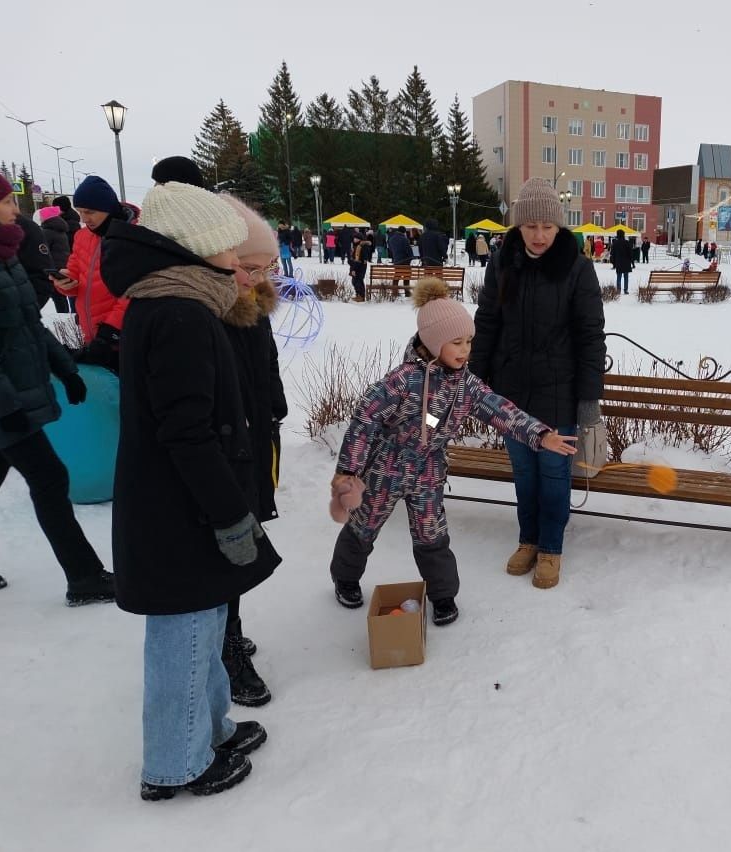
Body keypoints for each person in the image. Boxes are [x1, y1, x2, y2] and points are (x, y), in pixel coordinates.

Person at [100, 180, 281, 801]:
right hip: (181, 510)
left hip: (183, 504)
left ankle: (211, 728)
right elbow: (188, 433)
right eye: (231, 253)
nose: (240, 266)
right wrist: (230, 514)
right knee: (184, 634)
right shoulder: (178, 314)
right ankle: (176, 762)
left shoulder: (177, 303)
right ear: (196, 252)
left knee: (204, 624)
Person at [328, 277, 578, 619]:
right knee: (364, 525)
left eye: (469, 342)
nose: (465, 350)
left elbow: (500, 409)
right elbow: (364, 421)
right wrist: (349, 471)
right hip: (386, 468)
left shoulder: (466, 384)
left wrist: (541, 435)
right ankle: (345, 578)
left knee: (432, 533)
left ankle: (443, 596)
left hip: (428, 469)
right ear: (432, 343)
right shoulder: (401, 382)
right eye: (456, 343)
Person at [470, 178, 606, 589]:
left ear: (559, 227)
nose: (540, 235)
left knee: (553, 475)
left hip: (558, 395)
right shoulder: (502, 262)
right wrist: (476, 382)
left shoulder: (578, 268)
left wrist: (588, 402)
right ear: (518, 226)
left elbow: (590, 336)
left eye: (548, 226)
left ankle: (551, 548)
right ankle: (527, 539)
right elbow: (488, 322)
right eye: (531, 226)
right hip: (511, 394)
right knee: (524, 475)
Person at [0, 173, 114, 604]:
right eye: (8, 200)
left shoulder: (8, 257)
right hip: (7, 405)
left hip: (18, 394)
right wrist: (7, 408)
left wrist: (67, 371)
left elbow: (29, 327)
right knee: (50, 478)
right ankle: (83, 576)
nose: (16, 208)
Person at [216, 194, 289, 707]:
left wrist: (275, 405)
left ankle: (230, 628)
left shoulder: (255, 306)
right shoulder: (207, 313)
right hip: (222, 449)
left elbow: (266, 362)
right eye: (249, 267)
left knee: (240, 546)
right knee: (224, 550)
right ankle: (223, 651)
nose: (261, 277)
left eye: (267, 267)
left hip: (251, 440)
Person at [49, 175, 138, 372]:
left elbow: (135, 290)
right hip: (93, 336)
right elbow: (75, 273)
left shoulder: (132, 236)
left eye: (90, 211)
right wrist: (65, 284)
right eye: (80, 212)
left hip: (126, 337)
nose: (83, 218)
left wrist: (110, 332)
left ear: (108, 208)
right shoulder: (82, 236)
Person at [349, 231, 372, 302]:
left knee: (358, 281)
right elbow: (352, 258)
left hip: (359, 267)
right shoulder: (355, 246)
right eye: (354, 238)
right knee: (354, 281)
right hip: (355, 266)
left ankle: (361, 296)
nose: (355, 239)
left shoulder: (362, 246)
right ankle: (358, 294)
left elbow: (362, 258)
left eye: (356, 238)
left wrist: (354, 268)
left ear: (360, 239)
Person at [610, 228, 633, 294]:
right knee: (626, 277)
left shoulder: (615, 243)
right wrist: (632, 262)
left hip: (619, 262)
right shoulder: (627, 242)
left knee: (619, 276)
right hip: (626, 262)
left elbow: (613, 253)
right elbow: (630, 253)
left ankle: (618, 290)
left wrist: (613, 263)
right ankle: (625, 289)